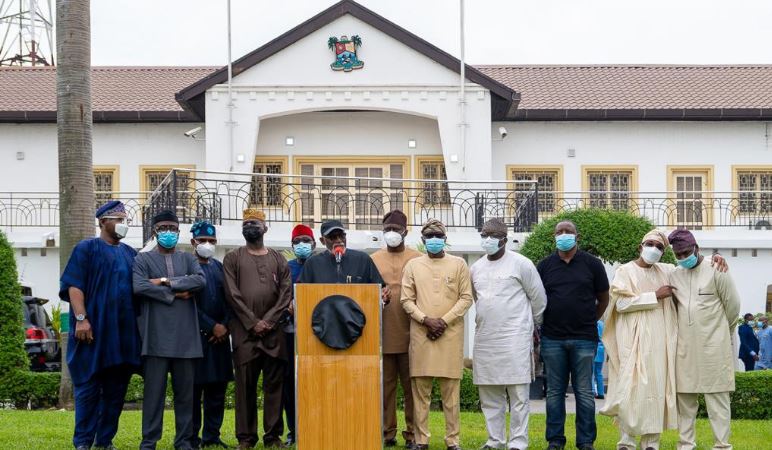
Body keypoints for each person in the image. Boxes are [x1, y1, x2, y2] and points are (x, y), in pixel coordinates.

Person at [600, 230, 728, 450]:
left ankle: (651, 443)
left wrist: (714, 258)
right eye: (650, 244)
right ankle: (626, 442)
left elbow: (693, 264)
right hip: (633, 342)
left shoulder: (667, 271)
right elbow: (620, 305)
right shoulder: (624, 271)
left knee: (655, 393)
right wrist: (654, 296)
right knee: (631, 391)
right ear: (640, 247)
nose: (654, 249)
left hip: (661, 344)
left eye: (660, 247)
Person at [59, 200, 142, 450]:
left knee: (116, 392)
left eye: (125, 219)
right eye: (118, 218)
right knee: (88, 389)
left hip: (123, 336)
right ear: (103, 221)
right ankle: (83, 442)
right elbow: (74, 285)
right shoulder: (87, 248)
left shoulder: (131, 253)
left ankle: (104, 440)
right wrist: (82, 319)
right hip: (92, 333)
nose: (122, 224)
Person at [471, 218, 546, 450]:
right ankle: (494, 440)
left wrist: (532, 328)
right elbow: (477, 300)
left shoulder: (522, 263)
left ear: (504, 239)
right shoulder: (475, 267)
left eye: (492, 236)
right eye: (484, 235)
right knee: (489, 394)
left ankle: (518, 442)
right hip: (485, 338)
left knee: (518, 395)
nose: (488, 240)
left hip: (515, 337)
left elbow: (539, 300)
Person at [133, 209, 206, 450]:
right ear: (155, 231)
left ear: (178, 231)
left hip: (186, 339)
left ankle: (184, 441)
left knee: (186, 396)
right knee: (154, 396)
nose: (169, 233)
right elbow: (140, 286)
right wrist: (175, 294)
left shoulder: (188, 258)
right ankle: (148, 442)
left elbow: (199, 280)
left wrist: (164, 281)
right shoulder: (142, 259)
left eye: (173, 229)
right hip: (155, 339)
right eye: (164, 228)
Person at [400, 219, 474, 450]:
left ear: (445, 239)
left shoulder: (459, 264)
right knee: (420, 393)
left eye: (438, 235)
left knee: (451, 394)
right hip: (421, 335)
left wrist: (442, 321)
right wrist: (426, 320)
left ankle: (453, 441)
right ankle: (422, 440)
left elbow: (466, 298)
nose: (434, 239)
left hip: (449, 335)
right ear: (423, 240)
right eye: (429, 236)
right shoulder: (413, 265)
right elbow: (406, 300)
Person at [537, 220, 609, 450]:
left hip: (584, 338)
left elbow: (604, 297)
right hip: (552, 338)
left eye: (568, 232)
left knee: (585, 392)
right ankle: (555, 440)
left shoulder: (592, 264)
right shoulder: (544, 266)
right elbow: (538, 300)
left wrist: (590, 320)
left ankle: (586, 441)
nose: (564, 235)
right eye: (559, 232)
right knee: (555, 393)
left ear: (577, 236)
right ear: (554, 236)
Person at [223, 208, 292, 449]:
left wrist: (269, 321)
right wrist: (253, 322)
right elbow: (232, 294)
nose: (250, 227)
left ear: (265, 227)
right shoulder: (232, 258)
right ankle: (246, 438)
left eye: (255, 223)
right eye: (246, 224)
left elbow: (286, 293)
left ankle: (272, 437)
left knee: (275, 386)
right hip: (245, 333)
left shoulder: (278, 258)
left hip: (275, 334)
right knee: (245, 388)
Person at [668, 229, 741, 450]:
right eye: (678, 255)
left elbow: (733, 307)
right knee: (685, 399)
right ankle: (685, 444)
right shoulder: (674, 274)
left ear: (696, 248)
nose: (683, 258)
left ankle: (721, 445)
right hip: (685, 348)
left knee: (717, 399)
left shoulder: (716, 268)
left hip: (714, 347)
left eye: (686, 252)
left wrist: (720, 333)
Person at [370, 210, 422, 450]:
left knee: (412, 389)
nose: (392, 234)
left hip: (413, 334)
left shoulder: (418, 258)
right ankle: (386, 432)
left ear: (406, 232)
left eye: (396, 229)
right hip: (383, 334)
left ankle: (412, 434)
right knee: (385, 388)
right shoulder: (372, 259)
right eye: (387, 229)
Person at [189, 221, 233, 449]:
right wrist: (210, 326)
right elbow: (187, 305)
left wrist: (224, 326)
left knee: (217, 390)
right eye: (203, 241)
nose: (207, 245)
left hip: (221, 338)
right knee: (194, 392)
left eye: (212, 241)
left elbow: (230, 300)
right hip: (196, 338)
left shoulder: (220, 267)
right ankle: (192, 437)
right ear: (192, 242)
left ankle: (212, 436)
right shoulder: (186, 266)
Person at [279, 223, 317, 446]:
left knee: (313, 384)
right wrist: (287, 306)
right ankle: (293, 430)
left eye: (306, 241)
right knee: (290, 384)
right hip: (289, 333)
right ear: (292, 246)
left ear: (314, 244)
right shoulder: (286, 268)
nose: (302, 245)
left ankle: (313, 428)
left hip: (315, 335)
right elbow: (277, 294)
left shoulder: (323, 265)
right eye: (297, 242)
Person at [297, 219, 386, 292]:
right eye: (333, 237)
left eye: (342, 236)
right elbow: (301, 293)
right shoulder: (313, 263)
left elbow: (379, 290)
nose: (339, 240)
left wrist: (384, 294)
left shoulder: (363, 259)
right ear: (322, 241)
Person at [593, 321, 605, 400]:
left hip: (593, 349)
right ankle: (601, 393)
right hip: (601, 350)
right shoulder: (602, 324)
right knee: (599, 373)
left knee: (590, 373)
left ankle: (592, 392)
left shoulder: (592, 322)